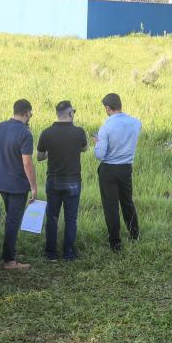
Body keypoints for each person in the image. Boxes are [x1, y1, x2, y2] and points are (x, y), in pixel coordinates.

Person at [36, 100, 87, 261]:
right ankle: (69, 253)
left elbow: (39, 157)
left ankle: (51, 253)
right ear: (71, 113)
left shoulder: (46, 133)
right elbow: (84, 148)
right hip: (73, 181)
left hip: (54, 180)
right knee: (71, 219)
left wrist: (51, 152)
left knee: (52, 217)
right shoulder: (79, 132)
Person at [92, 92, 141, 252]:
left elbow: (100, 154)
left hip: (108, 169)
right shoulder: (136, 123)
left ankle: (115, 243)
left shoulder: (106, 127)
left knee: (110, 205)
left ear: (107, 108)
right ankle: (135, 234)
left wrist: (98, 143)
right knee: (127, 202)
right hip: (126, 168)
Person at [0, 99, 38, 270]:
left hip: (2, 181)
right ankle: (9, 261)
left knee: (11, 218)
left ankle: (9, 252)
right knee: (13, 221)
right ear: (26, 112)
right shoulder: (25, 134)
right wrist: (33, 187)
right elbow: (27, 163)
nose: (31, 115)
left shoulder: (0, 127)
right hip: (17, 184)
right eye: (31, 112)